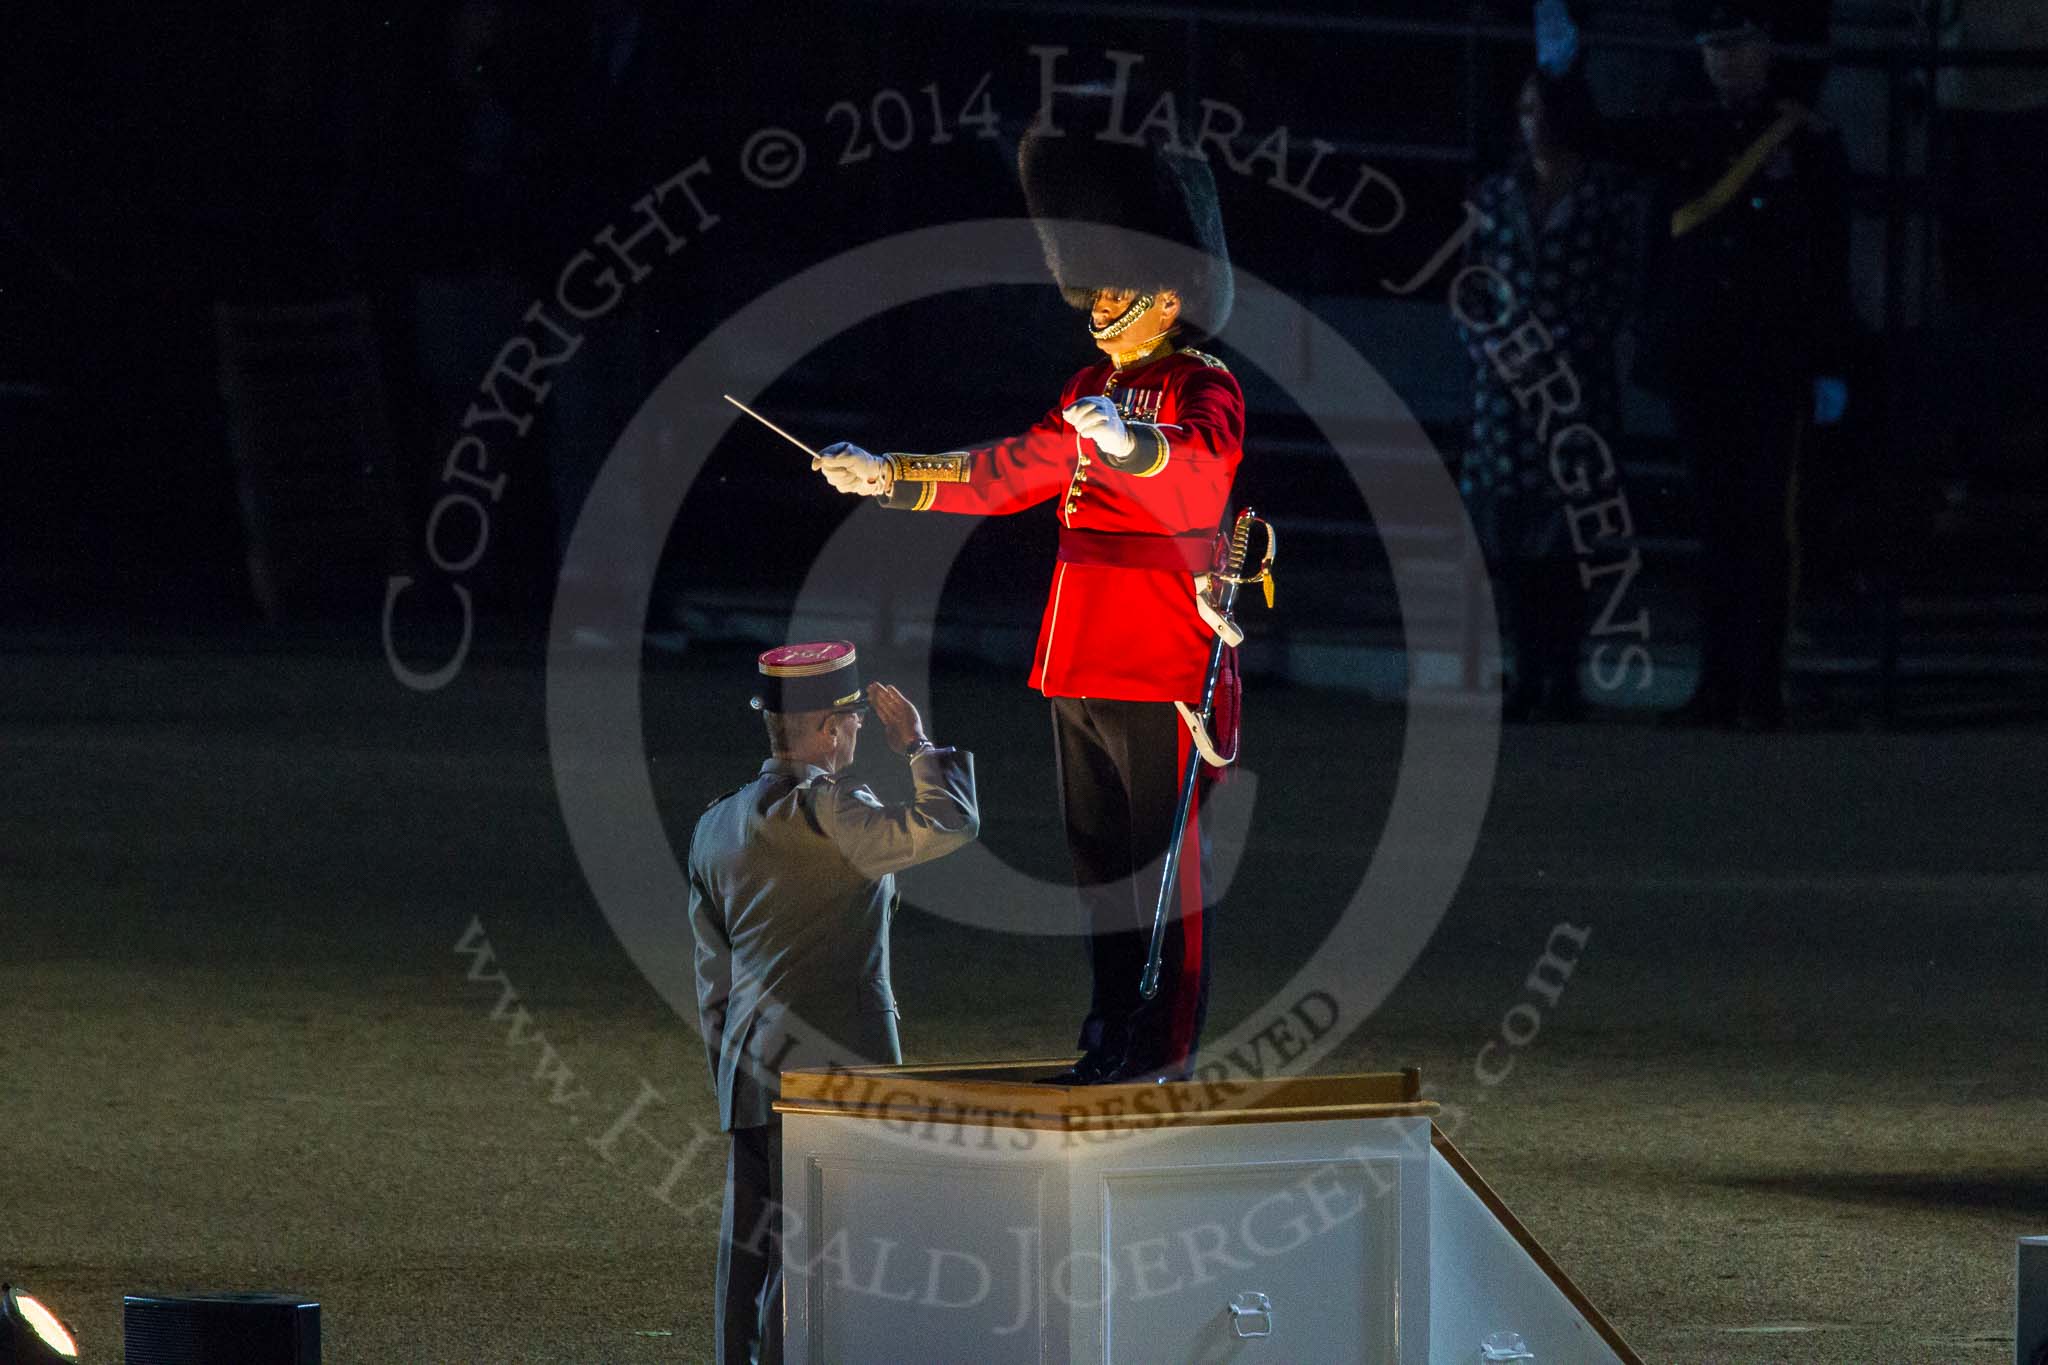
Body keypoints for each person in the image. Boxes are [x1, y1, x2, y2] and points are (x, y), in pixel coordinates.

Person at [812, 130, 1241, 1086]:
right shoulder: (1093, 385)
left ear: (1167, 297)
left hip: (1162, 656)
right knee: (1097, 864)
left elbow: (1199, 483)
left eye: (1116, 295)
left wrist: (1132, 448)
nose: (1097, 312)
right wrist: (889, 476)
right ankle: (1110, 1026)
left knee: (1159, 873)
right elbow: (1011, 471)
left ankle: (1160, 1042)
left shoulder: (1200, 386)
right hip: (1082, 653)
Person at [1538, 0, 1852, 730]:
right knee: (1719, 529)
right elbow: (1590, 136)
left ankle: (1762, 690)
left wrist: (1830, 362)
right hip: (1705, 359)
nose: (1725, 60)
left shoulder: (1807, 142)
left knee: (1766, 529)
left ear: (1768, 49)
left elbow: (1830, 264)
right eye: (1715, 47)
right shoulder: (1689, 126)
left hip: (1774, 360)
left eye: (1738, 45)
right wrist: (1563, 70)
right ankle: (1720, 686)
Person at [686, 641, 979, 1365]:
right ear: (825, 728)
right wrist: (917, 743)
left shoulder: (716, 823)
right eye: (849, 720)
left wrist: (729, 1073)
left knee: (748, 1263)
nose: (855, 733)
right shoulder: (836, 811)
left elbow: (710, 978)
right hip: (840, 1075)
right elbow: (951, 821)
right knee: (820, 1260)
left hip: (751, 1070)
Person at [1457, 66, 1636, 721]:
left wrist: (1553, 346)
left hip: (1572, 389)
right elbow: (1472, 283)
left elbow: (1614, 288)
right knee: (1512, 534)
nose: (1532, 122)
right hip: (1505, 394)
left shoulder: (1603, 196)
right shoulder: (1500, 194)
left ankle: (1560, 673)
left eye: (1542, 109)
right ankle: (1528, 672)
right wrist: (1493, 350)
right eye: (1524, 108)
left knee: (1566, 535)